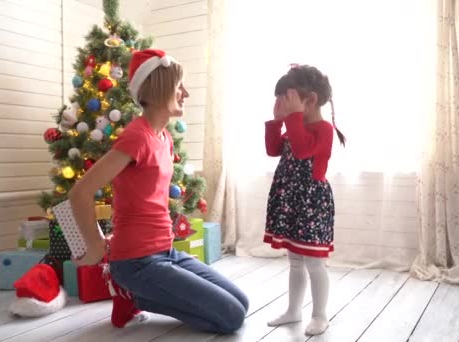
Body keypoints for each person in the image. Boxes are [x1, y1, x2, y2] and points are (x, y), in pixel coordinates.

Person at [69, 49, 248, 333]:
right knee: (232, 318)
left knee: (242, 302)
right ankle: (132, 293)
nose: (185, 93)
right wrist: (95, 245)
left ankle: (139, 295)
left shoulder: (163, 138)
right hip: (135, 262)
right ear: (158, 90)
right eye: (179, 87)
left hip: (166, 253)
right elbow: (81, 192)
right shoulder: (136, 137)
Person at [262, 64, 345, 336]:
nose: (282, 104)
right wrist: (276, 121)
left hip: (311, 203)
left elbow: (301, 151)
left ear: (308, 100)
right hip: (290, 200)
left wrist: (293, 118)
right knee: (295, 260)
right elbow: (273, 149)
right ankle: (293, 310)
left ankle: (320, 315)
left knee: (314, 262)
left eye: (286, 99)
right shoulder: (293, 126)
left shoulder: (323, 129)